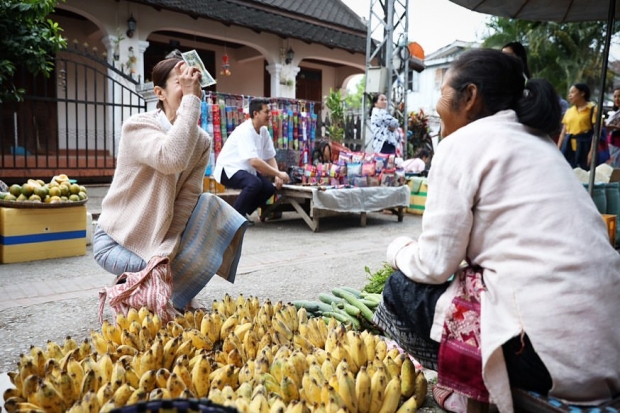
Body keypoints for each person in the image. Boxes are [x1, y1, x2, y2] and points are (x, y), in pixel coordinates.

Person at [372, 49, 620, 412]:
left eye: (443, 92)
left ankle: (479, 388)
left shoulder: (462, 144)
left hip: (549, 363)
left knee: (399, 288)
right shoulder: (539, 143)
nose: (438, 105)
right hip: (608, 355)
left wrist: (397, 251)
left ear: (469, 97)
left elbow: (433, 265)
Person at [94, 57, 248, 313]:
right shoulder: (137, 126)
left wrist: (168, 252)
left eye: (193, 82)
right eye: (180, 82)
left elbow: (187, 200)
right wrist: (191, 101)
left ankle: (171, 290)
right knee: (157, 272)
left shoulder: (201, 141)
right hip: (117, 241)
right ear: (160, 93)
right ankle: (130, 287)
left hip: (159, 240)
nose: (190, 87)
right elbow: (171, 158)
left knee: (211, 208)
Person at [214, 98, 290, 223]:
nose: (270, 115)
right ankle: (234, 218)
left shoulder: (264, 131)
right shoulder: (245, 130)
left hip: (246, 170)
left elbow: (270, 155)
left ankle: (242, 213)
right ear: (256, 114)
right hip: (228, 170)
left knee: (268, 188)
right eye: (266, 112)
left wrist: (277, 175)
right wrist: (278, 173)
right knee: (254, 183)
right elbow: (254, 162)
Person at [556, 83, 597, 169]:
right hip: (568, 147)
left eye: (573, 92)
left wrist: (592, 152)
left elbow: (596, 133)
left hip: (584, 147)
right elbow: (563, 133)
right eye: (569, 93)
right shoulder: (569, 111)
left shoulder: (593, 109)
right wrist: (558, 150)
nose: (570, 95)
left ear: (582, 93)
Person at [605, 86, 620, 167]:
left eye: (619, 96)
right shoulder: (614, 113)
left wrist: (614, 127)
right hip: (611, 146)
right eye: (615, 96)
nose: (617, 99)